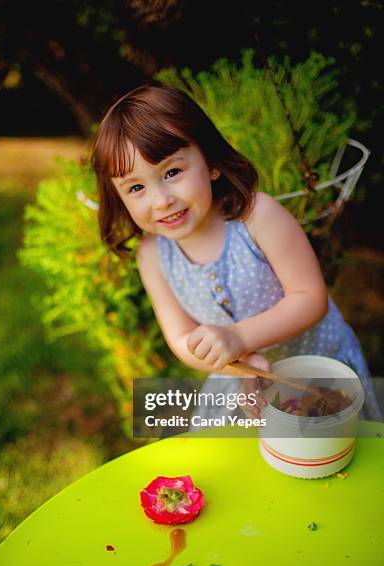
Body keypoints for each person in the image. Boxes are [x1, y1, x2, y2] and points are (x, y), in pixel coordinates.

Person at [91, 84, 380, 422]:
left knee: (326, 461)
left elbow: (309, 297)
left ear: (212, 163)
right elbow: (181, 338)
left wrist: (239, 337)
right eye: (136, 187)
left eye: (172, 172)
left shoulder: (257, 217)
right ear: (119, 197)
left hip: (317, 369)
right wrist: (238, 365)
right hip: (243, 383)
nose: (161, 200)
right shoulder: (153, 255)